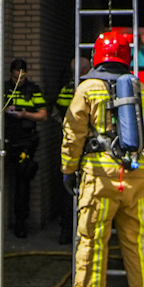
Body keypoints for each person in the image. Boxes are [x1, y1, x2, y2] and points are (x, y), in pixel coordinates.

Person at [61, 29, 144, 287]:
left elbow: (73, 133)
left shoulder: (87, 88)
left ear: (97, 56)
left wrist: (68, 169)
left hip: (99, 177)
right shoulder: (140, 88)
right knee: (137, 241)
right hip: (134, 175)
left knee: (93, 241)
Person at [3, 58, 47, 239]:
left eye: (21, 78)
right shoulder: (4, 88)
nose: (18, 81)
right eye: (15, 78)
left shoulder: (32, 90)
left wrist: (25, 114)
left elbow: (43, 115)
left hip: (26, 142)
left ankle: (21, 223)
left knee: (22, 184)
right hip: (7, 140)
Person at [51, 53, 93, 244]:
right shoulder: (90, 88)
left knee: (69, 187)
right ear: (85, 70)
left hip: (69, 145)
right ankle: (82, 231)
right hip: (88, 147)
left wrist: (65, 126)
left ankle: (66, 232)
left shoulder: (67, 89)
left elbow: (57, 112)